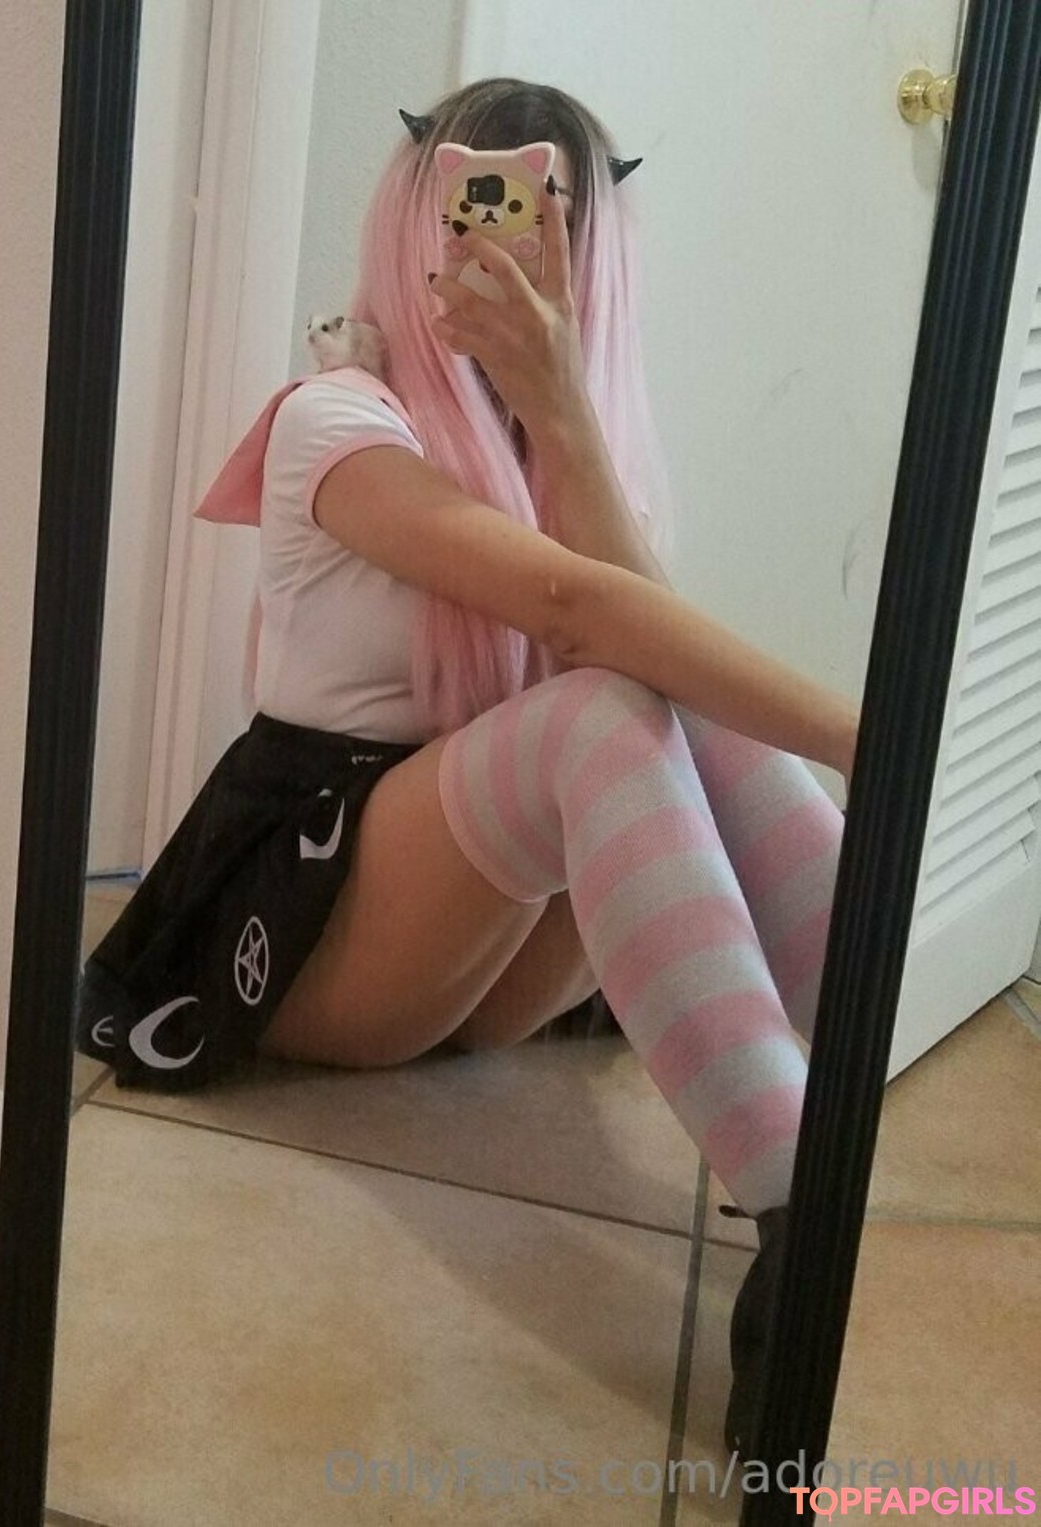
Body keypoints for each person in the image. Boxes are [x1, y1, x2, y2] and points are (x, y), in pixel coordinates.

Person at [76, 78, 858, 1461]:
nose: (512, 238)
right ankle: (804, 1209)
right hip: (316, 906)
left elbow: (633, 631)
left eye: (550, 214)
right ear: (419, 219)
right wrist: (879, 745)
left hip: (487, 950)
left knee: (662, 688)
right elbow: (579, 614)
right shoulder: (337, 418)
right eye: (478, 204)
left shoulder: (585, 446)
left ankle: (855, 1084)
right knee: (608, 698)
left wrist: (561, 413)